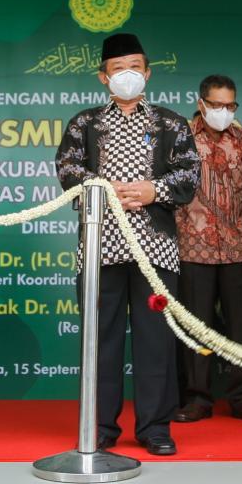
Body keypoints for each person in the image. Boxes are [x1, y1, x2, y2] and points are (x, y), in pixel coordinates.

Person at [56, 32, 199, 456]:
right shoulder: (85, 123)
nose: (127, 75)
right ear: (103, 77)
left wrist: (154, 190)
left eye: (135, 67)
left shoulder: (170, 123)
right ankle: (98, 426)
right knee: (101, 337)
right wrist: (100, 187)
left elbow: (191, 174)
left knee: (156, 339)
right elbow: (67, 170)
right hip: (101, 246)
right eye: (118, 69)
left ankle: (156, 427)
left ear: (148, 72)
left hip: (156, 248)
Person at [174, 74, 242, 425]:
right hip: (191, 248)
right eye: (216, 105)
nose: (224, 112)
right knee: (195, 325)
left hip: (238, 246)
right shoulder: (180, 138)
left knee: (241, 325)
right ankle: (197, 397)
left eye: (230, 106)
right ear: (201, 103)